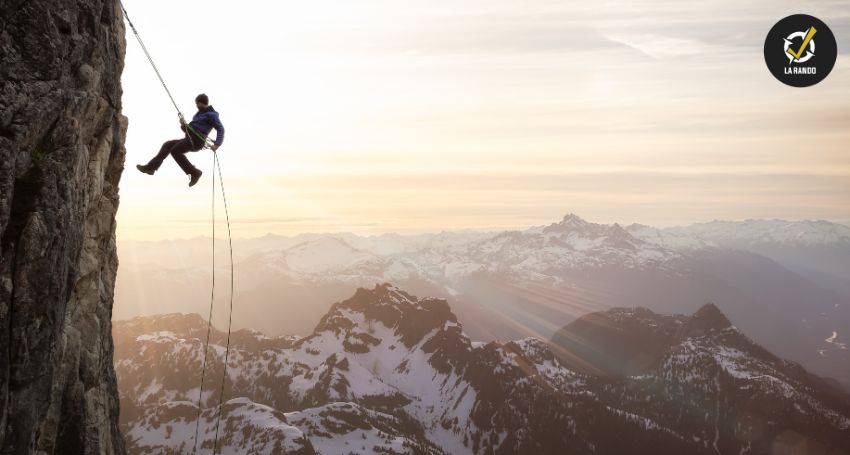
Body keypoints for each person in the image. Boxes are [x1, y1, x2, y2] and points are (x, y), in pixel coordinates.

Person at [136, 94, 225, 187]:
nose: (196, 106)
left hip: (196, 140)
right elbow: (188, 131)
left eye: (197, 104)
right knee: (168, 145)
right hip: (190, 138)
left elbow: (220, 128)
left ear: (200, 102)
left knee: (175, 150)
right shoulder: (199, 115)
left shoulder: (211, 115)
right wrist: (183, 124)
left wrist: (217, 144)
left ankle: (194, 172)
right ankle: (151, 168)